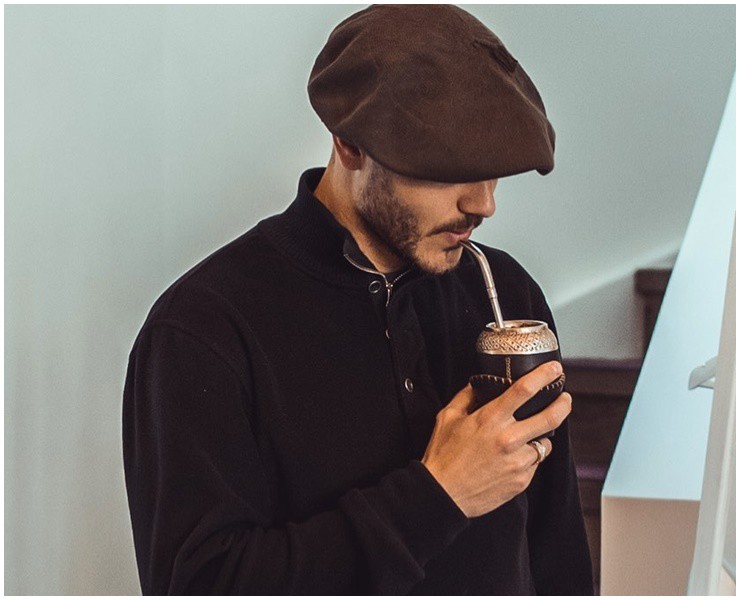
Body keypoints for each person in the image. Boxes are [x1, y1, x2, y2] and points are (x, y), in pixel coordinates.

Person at [123, 4, 594, 595]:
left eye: (495, 171)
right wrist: (436, 496)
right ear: (349, 143)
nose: (483, 205)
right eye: (449, 169)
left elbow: (557, 555)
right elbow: (200, 584)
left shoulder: (505, 295)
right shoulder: (204, 329)